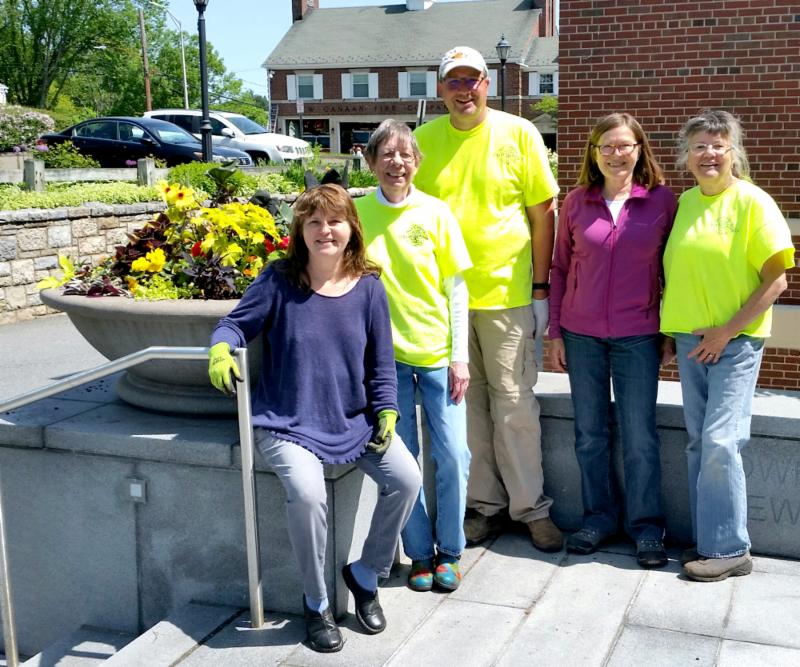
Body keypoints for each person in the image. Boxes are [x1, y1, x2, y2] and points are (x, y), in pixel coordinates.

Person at [207, 184, 421, 652]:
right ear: (300, 231)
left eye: (335, 221)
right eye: (315, 222)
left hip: (354, 419)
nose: (326, 230)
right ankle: (317, 602)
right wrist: (221, 348)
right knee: (306, 495)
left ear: (351, 228)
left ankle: (365, 574)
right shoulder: (279, 280)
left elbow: (381, 363)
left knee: (406, 479)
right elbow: (234, 323)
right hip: (287, 421)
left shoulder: (369, 286)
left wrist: (386, 409)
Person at [413, 46, 563, 551]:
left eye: (471, 80)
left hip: (507, 294)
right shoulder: (421, 142)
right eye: (452, 81)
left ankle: (531, 508)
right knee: (466, 406)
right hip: (443, 301)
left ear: (487, 84)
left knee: (515, 406)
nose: (463, 90)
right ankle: (483, 507)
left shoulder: (519, 133)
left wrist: (541, 288)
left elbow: (544, 215)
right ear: (440, 90)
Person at [661, 110, 793, 582]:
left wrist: (726, 331)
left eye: (718, 145)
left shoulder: (754, 203)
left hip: (735, 343)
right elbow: (679, 274)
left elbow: (776, 281)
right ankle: (707, 539)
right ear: (687, 156)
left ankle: (730, 548)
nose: (709, 154)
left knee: (720, 440)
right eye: (699, 146)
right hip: (691, 341)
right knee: (700, 443)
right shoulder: (687, 204)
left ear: (733, 152)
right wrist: (672, 335)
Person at [548, 113, 677, 568]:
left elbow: (672, 272)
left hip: (638, 335)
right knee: (589, 434)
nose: (616, 154)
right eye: (607, 146)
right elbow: (560, 268)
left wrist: (667, 332)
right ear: (594, 153)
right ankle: (598, 519)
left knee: (640, 435)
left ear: (640, 150)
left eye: (625, 145)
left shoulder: (662, 202)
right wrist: (556, 331)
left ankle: (646, 529)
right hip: (581, 334)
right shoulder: (577, 203)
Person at [356, 119, 473, 592]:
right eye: (386, 154)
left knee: (453, 455)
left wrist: (459, 355)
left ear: (417, 162)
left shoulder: (438, 214)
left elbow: (457, 289)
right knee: (402, 461)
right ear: (371, 162)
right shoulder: (359, 213)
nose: (396, 163)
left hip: (437, 355)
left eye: (405, 154)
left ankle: (451, 550)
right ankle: (419, 553)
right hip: (385, 363)